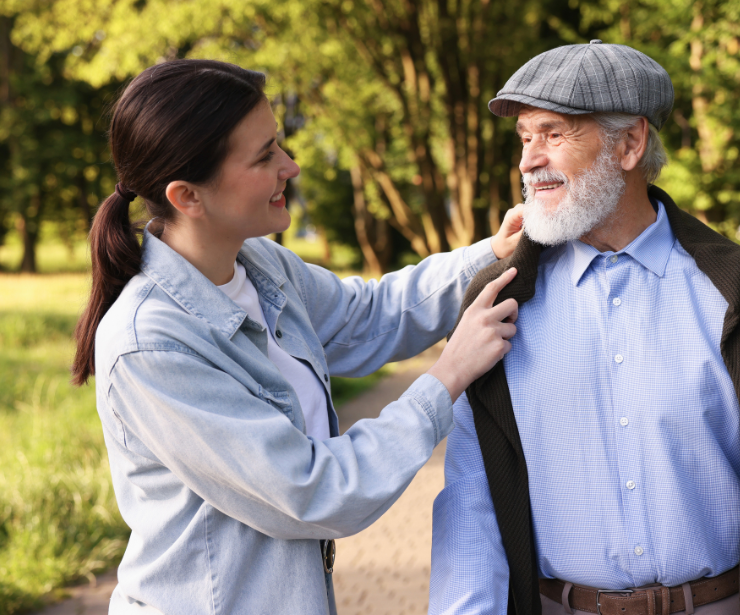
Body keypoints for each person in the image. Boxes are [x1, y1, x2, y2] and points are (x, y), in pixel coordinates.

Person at [429, 41, 740, 615]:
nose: (528, 160)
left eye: (553, 135)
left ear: (630, 144)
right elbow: (470, 511)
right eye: (525, 137)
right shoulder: (497, 304)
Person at [70, 58, 523, 615]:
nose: (291, 165)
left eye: (279, 144)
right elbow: (315, 491)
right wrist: (447, 377)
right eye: (265, 156)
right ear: (187, 196)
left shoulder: (260, 264)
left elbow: (368, 315)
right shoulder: (151, 344)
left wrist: (489, 254)